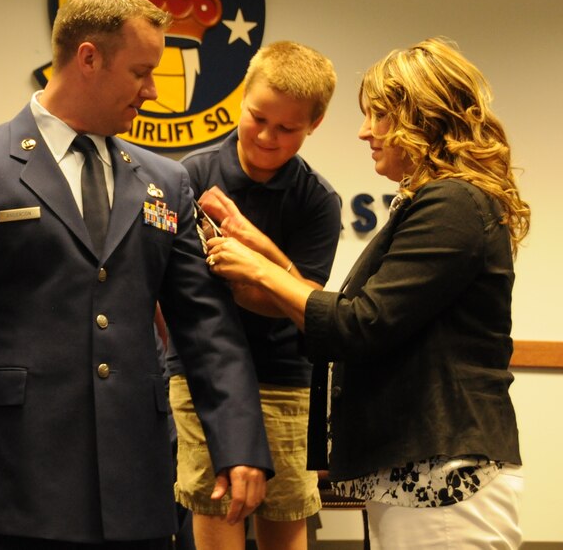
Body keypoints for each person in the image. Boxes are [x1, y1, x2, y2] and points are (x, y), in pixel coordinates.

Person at [0, 0, 273, 549]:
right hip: (9, 481)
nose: (152, 91)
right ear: (88, 58)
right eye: (141, 72)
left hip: (136, 484)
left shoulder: (166, 181)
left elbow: (207, 326)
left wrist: (240, 443)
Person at [206, 38, 529, 548]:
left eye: (377, 116)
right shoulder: (437, 200)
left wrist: (258, 269)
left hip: (445, 477)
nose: (363, 132)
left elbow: (359, 324)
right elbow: (357, 314)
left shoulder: (453, 203)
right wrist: (262, 246)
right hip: (417, 476)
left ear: (419, 118)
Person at [166, 41, 340, 550]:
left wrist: (251, 262)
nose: (267, 136)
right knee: (216, 512)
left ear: (315, 124)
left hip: (285, 379)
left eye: (288, 129)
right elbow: (174, 294)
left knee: (284, 519)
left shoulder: (318, 200)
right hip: (199, 375)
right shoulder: (187, 178)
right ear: (241, 98)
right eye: (257, 117)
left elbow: (308, 308)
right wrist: (269, 285)